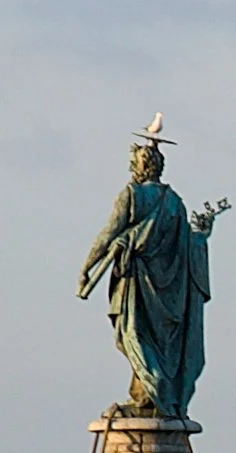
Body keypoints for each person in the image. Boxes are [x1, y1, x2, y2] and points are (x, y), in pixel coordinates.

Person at [76, 122, 223, 419]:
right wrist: (202, 236)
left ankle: (152, 396)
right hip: (170, 291)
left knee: (135, 336)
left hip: (137, 283)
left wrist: (86, 269)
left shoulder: (130, 195)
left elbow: (108, 234)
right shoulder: (175, 202)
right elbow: (186, 246)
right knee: (158, 344)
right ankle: (149, 397)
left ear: (139, 167)